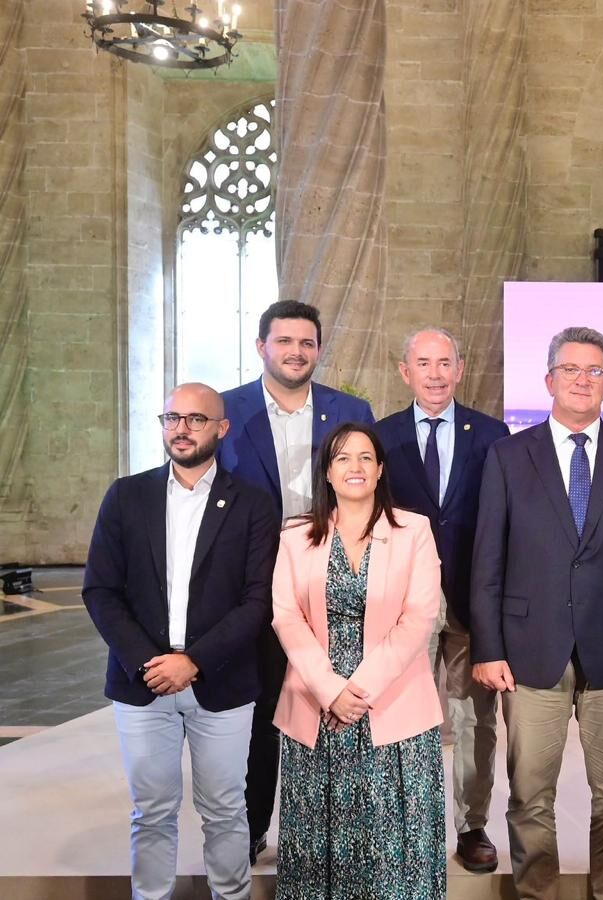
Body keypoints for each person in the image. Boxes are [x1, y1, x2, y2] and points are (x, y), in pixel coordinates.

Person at [471, 326, 603, 900]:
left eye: (594, 371)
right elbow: (487, 560)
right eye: (571, 370)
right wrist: (488, 647)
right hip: (529, 650)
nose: (582, 380)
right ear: (549, 379)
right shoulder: (508, 456)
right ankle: (537, 893)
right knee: (530, 795)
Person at [83, 383, 278, 900]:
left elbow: (258, 601)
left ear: (221, 428)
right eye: (172, 418)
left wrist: (193, 661)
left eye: (195, 419)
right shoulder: (126, 496)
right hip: (143, 682)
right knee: (151, 812)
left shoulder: (253, 504)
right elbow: (100, 590)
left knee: (226, 810)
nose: (181, 429)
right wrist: (150, 661)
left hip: (223, 683)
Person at [217, 299, 376, 863]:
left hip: (333, 581)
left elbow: (365, 486)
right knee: (262, 708)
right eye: (284, 341)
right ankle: (252, 825)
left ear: (318, 349)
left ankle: (336, 834)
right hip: (253, 583)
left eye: (307, 342)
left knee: (333, 703)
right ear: (261, 346)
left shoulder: (349, 409)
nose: (296, 352)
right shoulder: (226, 409)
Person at [271, 423, 446, 898]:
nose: (355, 467)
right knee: (320, 841)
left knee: (393, 844)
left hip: (394, 705)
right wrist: (331, 690)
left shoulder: (413, 531)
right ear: (327, 472)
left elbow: (419, 617)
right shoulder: (295, 535)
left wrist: (359, 690)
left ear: (380, 469)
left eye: (366, 457)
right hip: (317, 706)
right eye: (343, 458)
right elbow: (286, 616)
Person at [374, 327, 510, 873]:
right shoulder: (380, 437)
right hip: (405, 600)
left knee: (475, 717)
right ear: (405, 372)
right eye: (424, 364)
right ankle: (404, 821)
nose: (435, 374)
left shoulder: (493, 434)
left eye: (444, 363)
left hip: (474, 599)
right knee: (400, 712)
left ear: (460, 369)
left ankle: (471, 826)